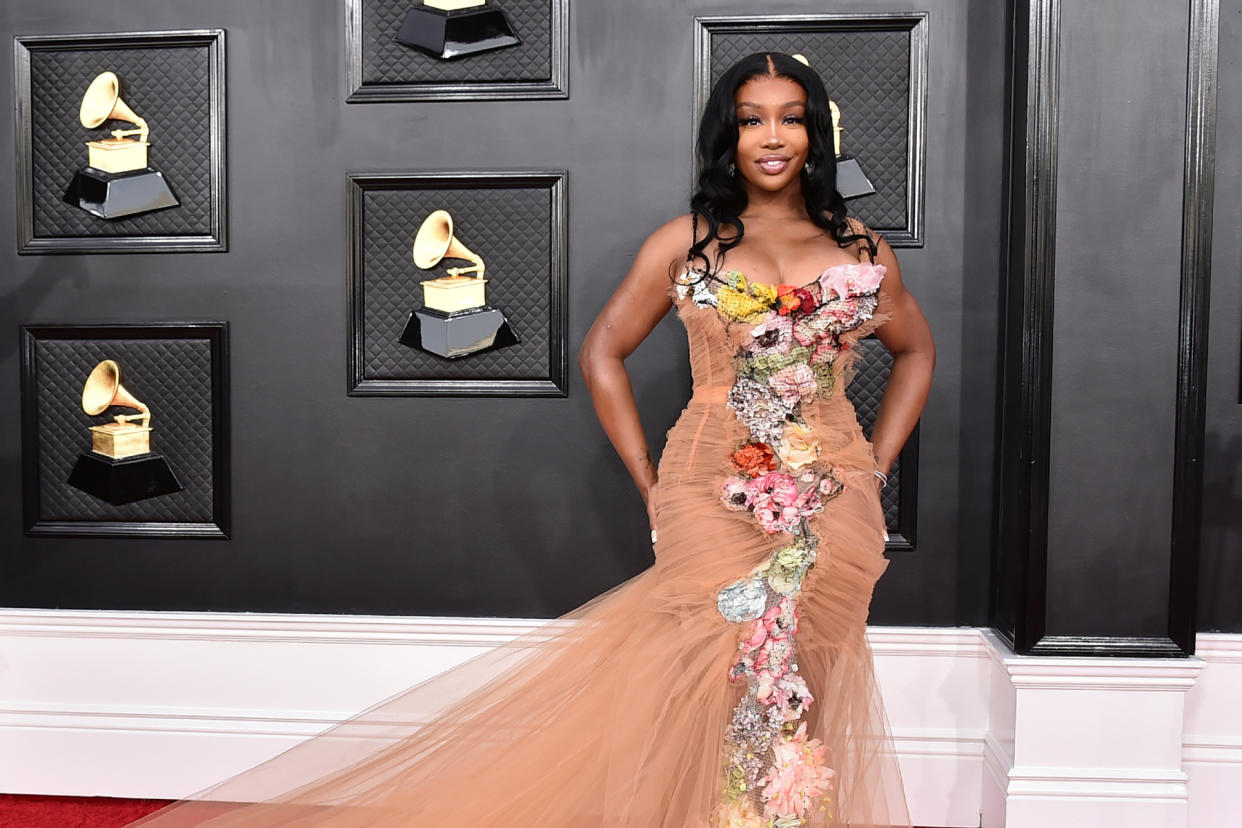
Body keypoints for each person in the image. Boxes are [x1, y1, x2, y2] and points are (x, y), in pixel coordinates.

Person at [128, 52, 932, 828]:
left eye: (790, 119)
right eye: (751, 119)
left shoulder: (860, 250)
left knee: (810, 675)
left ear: (813, 135)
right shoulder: (687, 243)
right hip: (707, 490)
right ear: (727, 135)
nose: (771, 136)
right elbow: (601, 353)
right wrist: (651, 482)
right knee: (719, 674)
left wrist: (876, 465)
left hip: (834, 497)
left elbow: (916, 351)